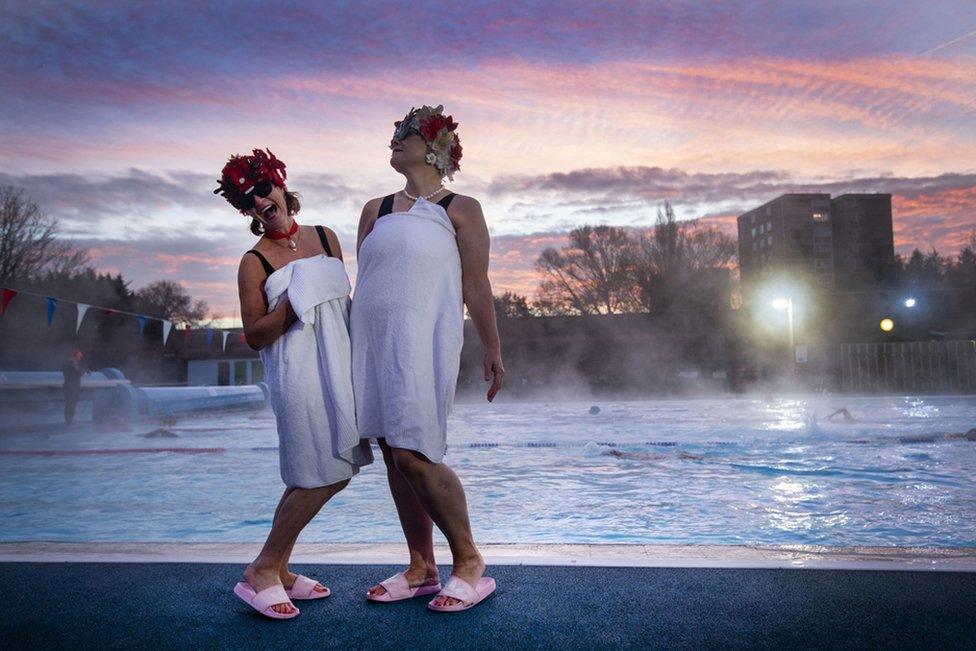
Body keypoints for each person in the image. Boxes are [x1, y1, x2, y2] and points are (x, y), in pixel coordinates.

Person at [352, 105, 504, 612]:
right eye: (394, 132)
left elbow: (476, 286)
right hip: (372, 343)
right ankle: (421, 567)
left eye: (406, 133)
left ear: (435, 148)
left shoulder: (461, 208)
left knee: (415, 451)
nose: (394, 139)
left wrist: (493, 348)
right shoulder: (376, 209)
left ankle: (469, 564)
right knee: (394, 452)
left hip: (423, 344)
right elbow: (366, 283)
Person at [215, 148, 373, 620]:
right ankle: (262, 568)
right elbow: (254, 334)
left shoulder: (326, 237)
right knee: (326, 472)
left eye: (263, 190)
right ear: (245, 212)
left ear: (281, 186)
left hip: (339, 367)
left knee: (316, 473)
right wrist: (294, 302)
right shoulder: (253, 261)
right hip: (296, 375)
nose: (260, 203)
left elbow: (343, 307)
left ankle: (279, 570)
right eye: (248, 201)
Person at [61, 348, 87, 425]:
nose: (80, 359)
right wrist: (84, 371)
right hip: (71, 387)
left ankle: (69, 421)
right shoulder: (72, 362)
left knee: (70, 405)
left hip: (70, 386)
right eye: (79, 357)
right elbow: (77, 373)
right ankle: (69, 422)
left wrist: (82, 370)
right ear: (75, 356)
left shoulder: (70, 363)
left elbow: (76, 372)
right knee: (71, 405)